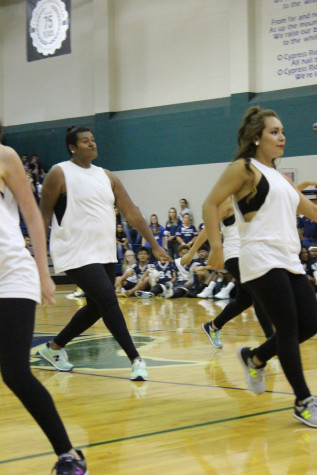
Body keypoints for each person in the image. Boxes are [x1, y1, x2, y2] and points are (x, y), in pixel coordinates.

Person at [203, 106, 317, 428]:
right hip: (260, 258)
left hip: (289, 260)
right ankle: (303, 402)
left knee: (310, 323)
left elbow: (312, 211)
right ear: (256, 138)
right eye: (274, 132)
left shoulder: (281, 180)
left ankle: (255, 358)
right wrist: (216, 246)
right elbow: (210, 203)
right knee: (289, 328)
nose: (282, 137)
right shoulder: (243, 169)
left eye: (282, 132)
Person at [39, 126, 170, 381]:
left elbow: (131, 212)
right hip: (74, 251)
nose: (92, 144)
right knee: (109, 300)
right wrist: (39, 260)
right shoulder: (59, 173)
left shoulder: (107, 176)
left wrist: (154, 244)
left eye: (93, 140)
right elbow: (42, 215)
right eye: (85, 141)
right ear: (72, 147)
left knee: (96, 308)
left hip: (104, 252)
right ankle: (136, 359)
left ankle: (53, 348)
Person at [0, 124, 88, 474]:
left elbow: (32, 215)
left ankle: (69, 455)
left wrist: (42, 271)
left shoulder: (4, 157)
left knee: (16, 373)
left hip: (11, 275)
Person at [182, 200, 274, 349]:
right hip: (233, 255)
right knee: (258, 294)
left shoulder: (253, 202)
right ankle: (272, 339)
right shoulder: (227, 203)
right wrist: (191, 252)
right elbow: (208, 230)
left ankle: (213, 326)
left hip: (250, 255)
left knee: (244, 301)